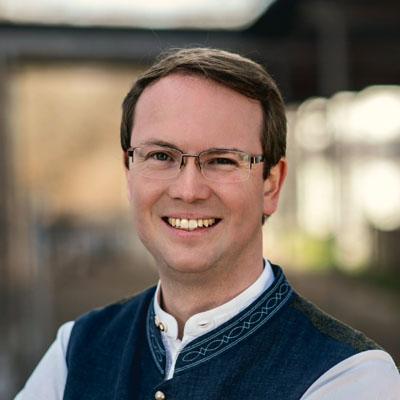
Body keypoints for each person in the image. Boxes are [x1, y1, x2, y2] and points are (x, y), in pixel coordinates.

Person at [16, 48, 400, 400]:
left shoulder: (350, 376)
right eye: (161, 156)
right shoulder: (75, 351)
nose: (188, 190)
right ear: (129, 171)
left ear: (271, 183)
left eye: (222, 160)